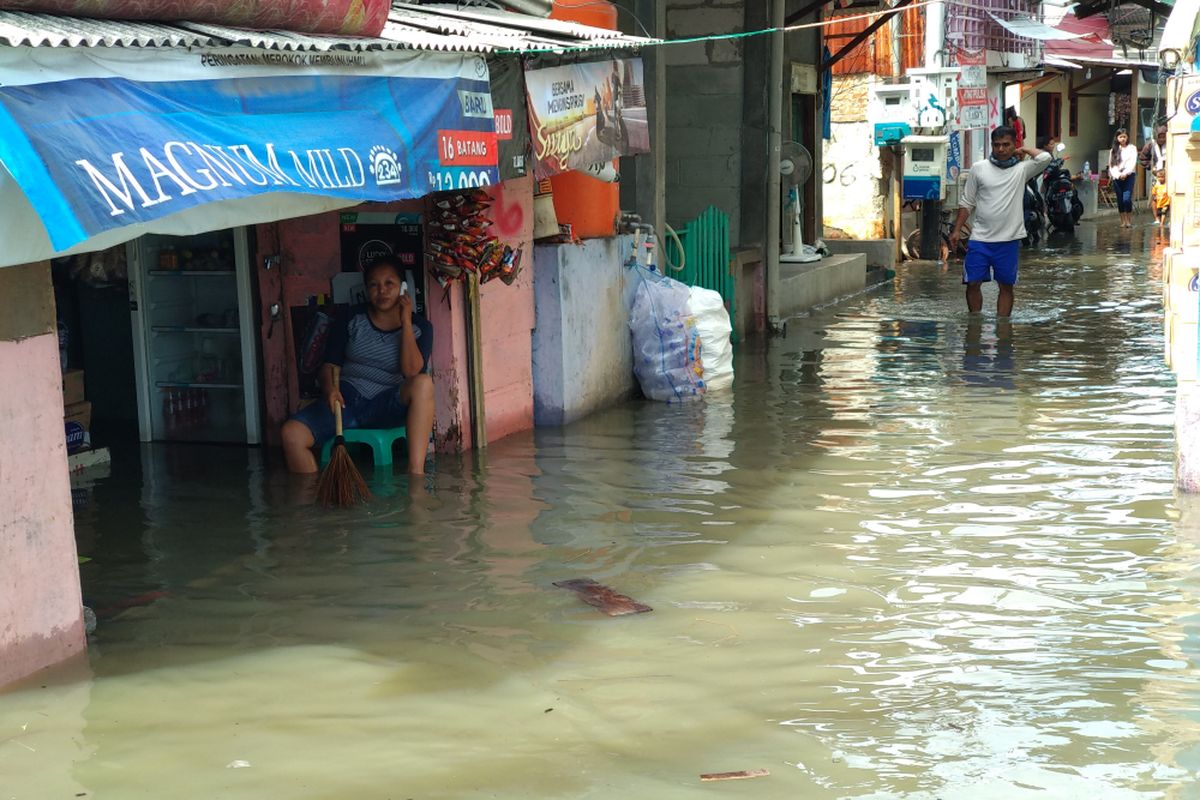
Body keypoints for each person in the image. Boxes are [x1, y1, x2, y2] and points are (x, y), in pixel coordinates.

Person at [282, 257, 435, 476]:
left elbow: (411, 372)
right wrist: (330, 389)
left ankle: (416, 476)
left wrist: (406, 322)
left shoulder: (421, 327)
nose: (381, 291)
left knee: (423, 383)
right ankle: (311, 500)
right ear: (366, 288)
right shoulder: (351, 318)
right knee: (291, 434)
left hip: (389, 404)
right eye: (374, 285)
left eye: (389, 284)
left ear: (403, 287)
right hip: (347, 400)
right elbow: (329, 366)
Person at [949, 126, 1049, 317]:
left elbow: (1045, 158)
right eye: (997, 145)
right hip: (980, 239)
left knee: (1006, 285)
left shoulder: (1022, 169)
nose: (1001, 149)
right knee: (972, 283)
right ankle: (975, 324)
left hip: (1009, 240)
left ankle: (1003, 330)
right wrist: (956, 230)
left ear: (1014, 145)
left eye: (1006, 145)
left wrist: (1025, 150)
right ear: (992, 146)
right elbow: (967, 201)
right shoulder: (979, 169)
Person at [1108, 128, 1138, 228]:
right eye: (1120, 137)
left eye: (1124, 137)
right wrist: (1117, 175)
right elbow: (1112, 165)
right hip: (1117, 177)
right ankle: (1123, 221)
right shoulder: (1113, 150)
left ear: (1127, 137)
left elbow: (1132, 163)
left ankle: (1129, 220)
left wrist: (1126, 173)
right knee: (1120, 199)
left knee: (1126, 198)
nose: (1123, 139)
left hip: (1129, 176)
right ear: (1117, 138)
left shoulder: (1132, 148)